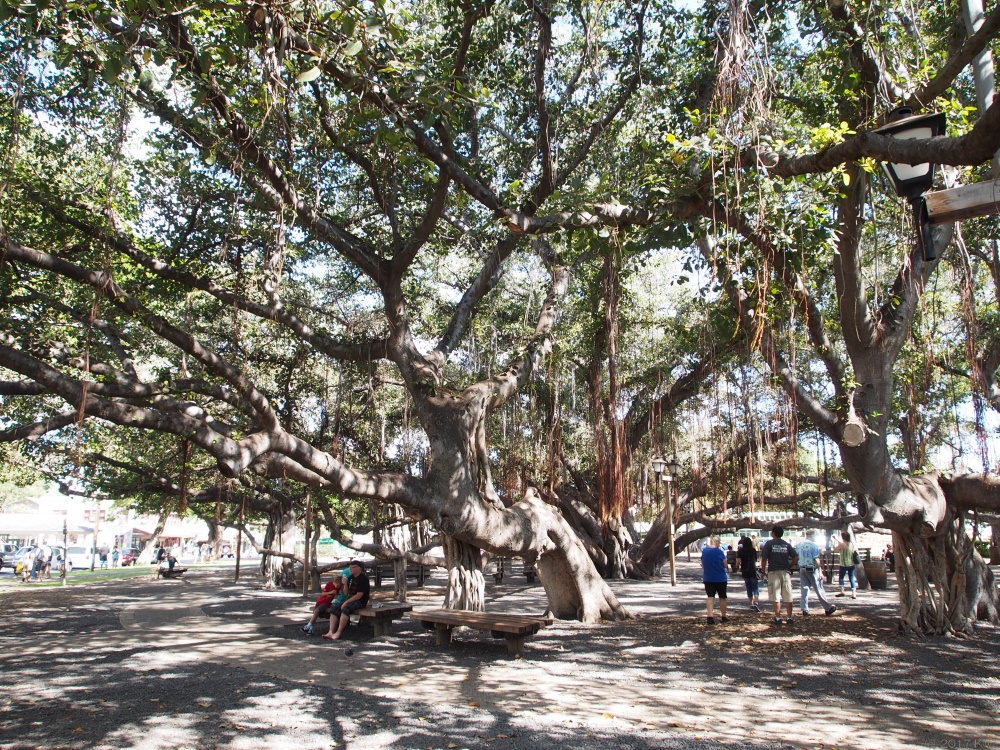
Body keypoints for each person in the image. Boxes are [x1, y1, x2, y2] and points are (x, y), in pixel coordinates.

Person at [323, 560, 370, 640]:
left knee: (346, 608)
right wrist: (345, 584)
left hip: (360, 601)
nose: (350, 569)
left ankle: (339, 632)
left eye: (352, 567)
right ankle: (330, 631)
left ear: (358, 568)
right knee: (334, 608)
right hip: (350, 598)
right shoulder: (351, 578)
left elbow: (359, 595)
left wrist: (346, 602)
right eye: (349, 567)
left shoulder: (363, 579)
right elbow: (346, 593)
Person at [761, 526, 798, 626]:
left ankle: (778, 618)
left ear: (773, 533)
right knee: (788, 595)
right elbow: (796, 557)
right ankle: (789, 617)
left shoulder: (769, 544)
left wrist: (763, 571)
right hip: (785, 572)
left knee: (775, 596)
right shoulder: (786, 544)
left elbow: (764, 558)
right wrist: (790, 566)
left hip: (773, 572)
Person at [796, 530, 837, 617]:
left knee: (804, 589)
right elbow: (816, 559)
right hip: (812, 568)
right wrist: (820, 570)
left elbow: (797, 556)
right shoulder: (813, 545)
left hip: (802, 568)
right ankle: (827, 607)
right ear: (811, 536)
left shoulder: (799, 545)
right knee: (819, 588)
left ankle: (804, 608)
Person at [701, 536, 728, 624]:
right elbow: (725, 564)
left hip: (708, 577)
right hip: (720, 578)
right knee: (722, 597)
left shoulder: (704, 551)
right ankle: (723, 616)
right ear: (717, 543)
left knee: (710, 597)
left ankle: (710, 616)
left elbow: (703, 564)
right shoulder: (719, 552)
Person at [735, 535, 760, 611]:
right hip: (752, 570)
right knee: (755, 587)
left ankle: (751, 603)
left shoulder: (741, 551)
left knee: (748, 587)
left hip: (745, 570)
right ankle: (756, 602)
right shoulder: (753, 550)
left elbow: (738, 561)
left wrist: (737, 566)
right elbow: (756, 559)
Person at [832, 531, 857, 598]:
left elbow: (835, 549)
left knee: (841, 577)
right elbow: (843, 544)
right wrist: (836, 539)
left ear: (843, 538)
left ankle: (842, 591)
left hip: (843, 564)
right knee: (851, 578)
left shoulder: (842, 545)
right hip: (851, 563)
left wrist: (833, 542)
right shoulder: (851, 544)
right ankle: (854, 593)